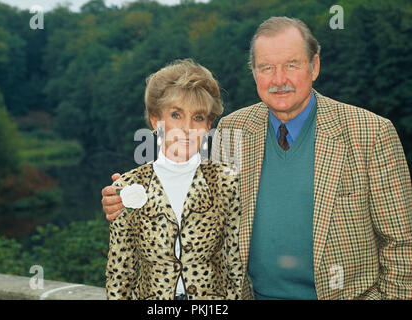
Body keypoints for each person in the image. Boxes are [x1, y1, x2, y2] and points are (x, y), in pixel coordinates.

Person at [102, 17, 412, 300]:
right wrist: (128, 198)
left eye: (291, 65)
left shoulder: (371, 133)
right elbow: (190, 196)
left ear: (314, 66)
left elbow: (403, 243)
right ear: (254, 72)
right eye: (266, 68)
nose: (279, 79)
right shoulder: (234, 128)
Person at [105, 59, 243, 300]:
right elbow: (120, 272)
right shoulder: (127, 186)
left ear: (209, 125)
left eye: (198, 118)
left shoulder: (227, 182)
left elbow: (236, 267)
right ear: (156, 120)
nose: (187, 128)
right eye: (176, 114)